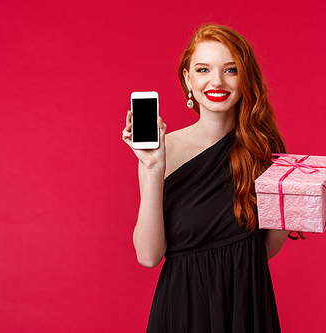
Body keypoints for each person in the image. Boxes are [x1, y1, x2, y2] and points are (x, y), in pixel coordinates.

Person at [123, 24, 290, 333]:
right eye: (203, 69)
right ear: (187, 78)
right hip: (182, 312)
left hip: (245, 306)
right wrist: (151, 168)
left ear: (245, 78)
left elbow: (261, 250)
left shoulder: (263, 152)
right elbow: (148, 255)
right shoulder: (163, 151)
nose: (217, 81)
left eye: (230, 70)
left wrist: (296, 209)